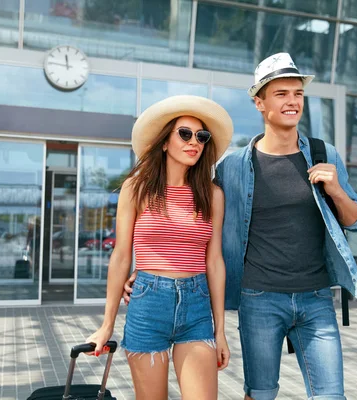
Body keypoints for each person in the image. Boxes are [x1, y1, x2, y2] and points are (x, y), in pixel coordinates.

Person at [124, 53, 357, 400]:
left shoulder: (322, 153)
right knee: (260, 394)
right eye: (281, 93)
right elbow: (197, 228)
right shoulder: (233, 167)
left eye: (297, 93)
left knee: (332, 396)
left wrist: (337, 191)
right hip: (260, 299)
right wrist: (149, 273)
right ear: (259, 102)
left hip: (316, 299)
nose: (292, 101)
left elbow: (356, 220)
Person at [86, 95, 233, 400]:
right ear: (165, 142)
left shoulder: (212, 195)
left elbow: (215, 262)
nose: (195, 142)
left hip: (196, 305)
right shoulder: (136, 188)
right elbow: (122, 256)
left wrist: (220, 331)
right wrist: (107, 325)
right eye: (185, 133)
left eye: (201, 136)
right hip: (148, 303)